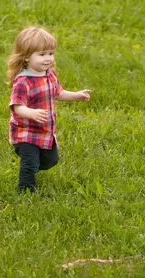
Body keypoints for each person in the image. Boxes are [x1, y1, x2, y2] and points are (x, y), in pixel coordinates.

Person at [7, 27, 91, 193]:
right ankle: (26, 190)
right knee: (30, 165)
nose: (48, 58)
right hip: (26, 132)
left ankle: (31, 165)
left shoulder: (49, 75)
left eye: (50, 53)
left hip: (45, 131)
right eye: (42, 54)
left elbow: (58, 92)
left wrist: (76, 96)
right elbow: (17, 106)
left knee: (51, 160)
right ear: (25, 57)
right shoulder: (23, 81)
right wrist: (31, 113)